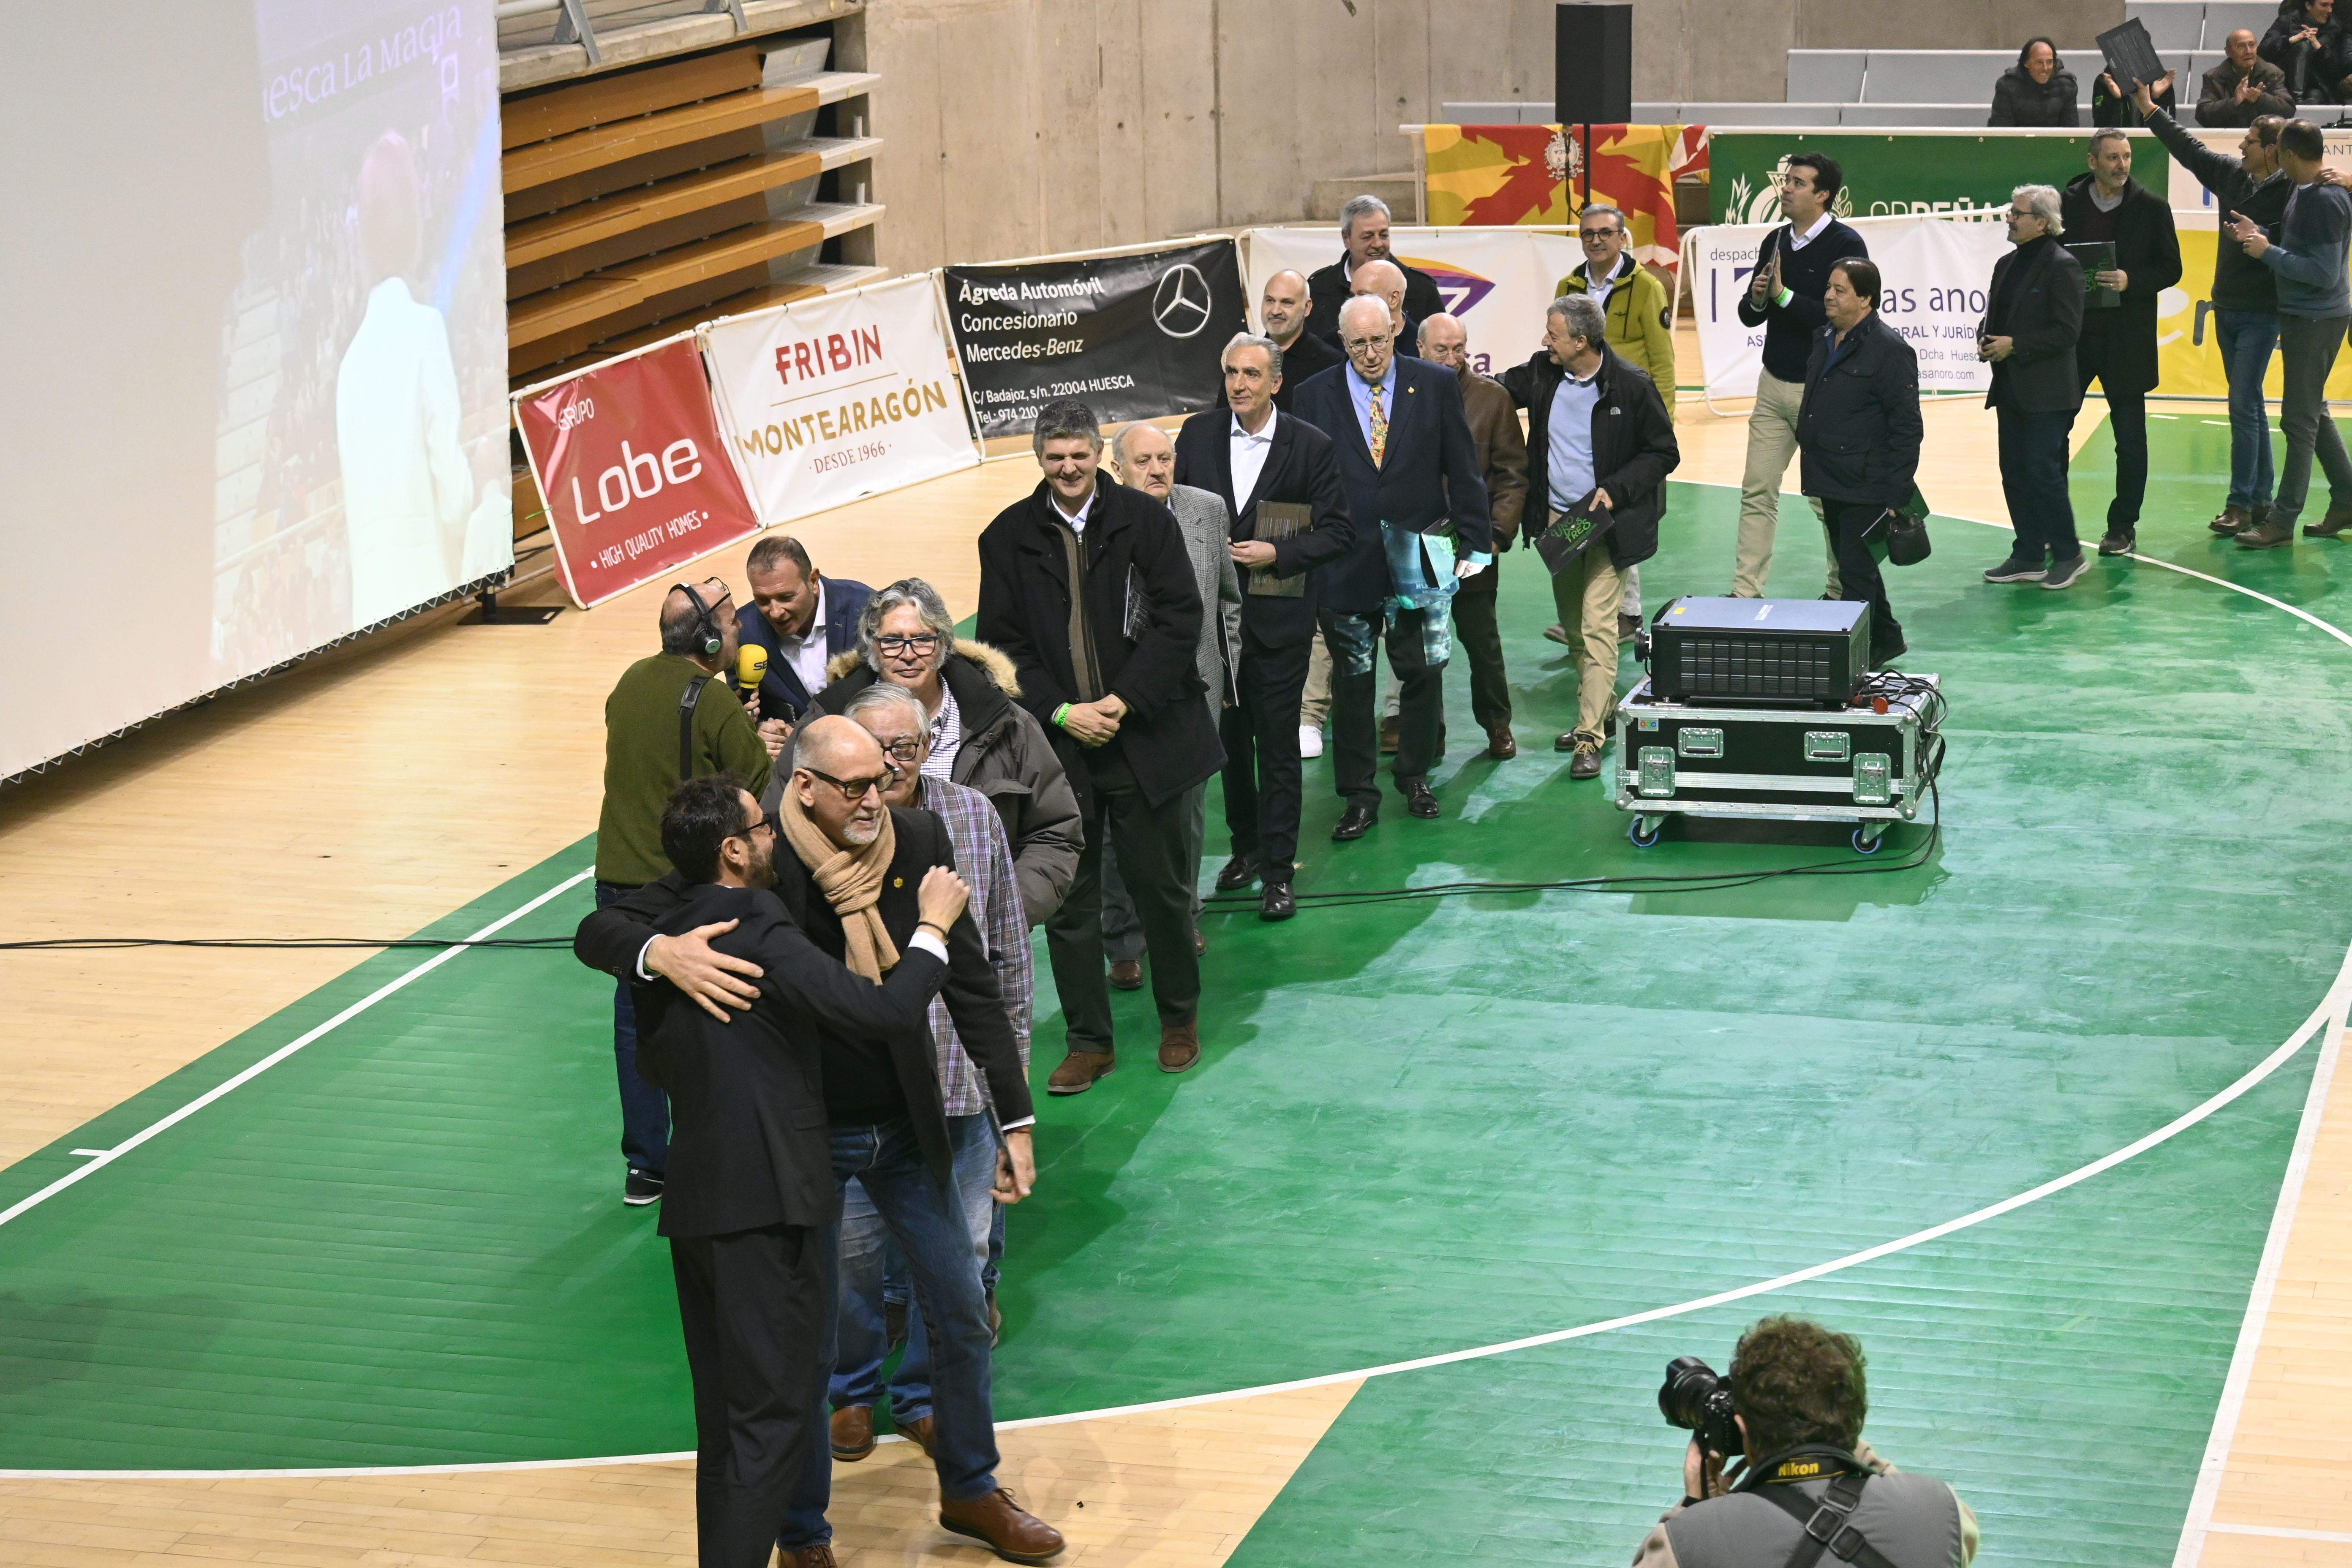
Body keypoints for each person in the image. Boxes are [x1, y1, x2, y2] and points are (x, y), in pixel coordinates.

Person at [576, 718, 1059, 1567]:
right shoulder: (759, 862)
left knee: (959, 1308)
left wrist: (1011, 1115)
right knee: (807, 1352)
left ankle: (971, 1488)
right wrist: (660, 951)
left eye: (888, 774)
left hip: (912, 1124)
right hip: (807, 1144)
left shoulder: (916, 833)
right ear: (802, 787)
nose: (879, 796)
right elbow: (605, 927)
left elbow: (973, 981)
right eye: (857, 784)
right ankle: (803, 1536)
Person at [976, 400, 1225, 1091]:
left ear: (1095, 454)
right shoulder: (1004, 538)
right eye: (1054, 458)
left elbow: (1180, 617)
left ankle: (1178, 1021)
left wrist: (1122, 700)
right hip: (1061, 753)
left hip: (1143, 737)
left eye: (1078, 455)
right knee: (1071, 905)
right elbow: (1002, 645)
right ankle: (1089, 1041)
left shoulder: (1147, 522)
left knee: (1163, 893)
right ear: (1038, 459)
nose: (1067, 469)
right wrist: (1060, 711)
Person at [826, 684, 1032, 1477]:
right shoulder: (817, 840)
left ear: (927, 743)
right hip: (865, 1092)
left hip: (957, 1081)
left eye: (905, 749)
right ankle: (850, 1387)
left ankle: (920, 1401)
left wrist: (1009, 1093)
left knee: (963, 1254)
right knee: (851, 1256)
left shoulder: (969, 817)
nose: (890, 767)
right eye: (874, 756)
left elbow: (1002, 954)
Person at [594, 579, 775, 1207]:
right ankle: (722, 1155)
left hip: (615, 881)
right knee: (719, 1017)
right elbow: (755, 786)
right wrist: (756, 740)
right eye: (730, 621)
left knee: (632, 1025)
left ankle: (646, 1167)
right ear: (707, 637)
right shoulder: (717, 701)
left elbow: (659, 756)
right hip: (677, 888)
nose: (740, 631)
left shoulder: (630, 680)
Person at [1291, 296, 1492, 832]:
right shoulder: (1312, 396)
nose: (1371, 352)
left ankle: (1414, 775)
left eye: (1379, 339)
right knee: (1353, 685)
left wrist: (1476, 543)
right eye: (1358, 343)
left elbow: (1463, 469)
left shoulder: (1434, 384)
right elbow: (1299, 484)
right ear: (1342, 341)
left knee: (1424, 673)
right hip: (1343, 561)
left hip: (1420, 556)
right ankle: (1359, 795)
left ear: (1397, 330)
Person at [1175, 332, 1353, 919]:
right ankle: (1246, 849)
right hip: (1211, 629)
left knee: (1276, 748)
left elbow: (1337, 532)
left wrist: (1278, 555)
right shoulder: (1197, 436)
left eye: (1252, 374)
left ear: (1276, 382)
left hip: (1279, 624)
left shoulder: (1311, 446)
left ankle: (1279, 873)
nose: (1239, 384)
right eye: (1231, 373)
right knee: (1228, 744)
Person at [812, 578, 1081, 930]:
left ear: (943, 645)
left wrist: (1003, 911)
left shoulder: (1006, 722)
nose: (908, 654)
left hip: (982, 935)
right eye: (892, 641)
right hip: (862, 930)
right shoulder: (825, 723)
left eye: (922, 640)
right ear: (872, 648)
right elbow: (789, 824)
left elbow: (1054, 832)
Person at [1497, 296, 1680, 777]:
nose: (1544, 342)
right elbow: (1491, 393)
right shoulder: (1542, 374)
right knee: (1576, 631)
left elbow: (1664, 452)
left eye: (1553, 335)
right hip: (1562, 525)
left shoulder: (1632, 386)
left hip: (1608, 527)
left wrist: (1616, 490)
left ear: (1581, 341)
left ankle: (1588, 737)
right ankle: (1600, 711)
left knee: (1600, 627)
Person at [1631, 1317, 1979, 1567]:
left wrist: (1694, 1507)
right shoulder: (1943, 1510)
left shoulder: (1688, 1543)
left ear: (1743, 1428)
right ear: (1855, 1414)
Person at [1098, 421, 1239, 972]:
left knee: (1188, 817)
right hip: (1116, 701)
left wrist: (1229, 673)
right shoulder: (1097, 522)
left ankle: (1182, 919)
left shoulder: (1206, 509)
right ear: (1118, 469)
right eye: (1143, 461)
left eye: (1165, 459)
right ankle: (1124, 940)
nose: (1157, 470)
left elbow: (1228, 601)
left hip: (1192, 695)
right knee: (1116, 825)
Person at [2141, 80, 2292, 534]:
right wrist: (2150, 110)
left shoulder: (2295, 194)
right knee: (2250, 407)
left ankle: (2241, 504)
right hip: (2225, 309)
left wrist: (2264, 241)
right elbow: (2187, 148)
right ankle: (2262, 498)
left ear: (2272, 150)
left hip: (2264, 314)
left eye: (2249, 140)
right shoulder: (2231, 175)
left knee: (2242, 404)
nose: (2241, 145)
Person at [1732, 153, 1867, 599]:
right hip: (1774, 386)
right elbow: (1752, 317)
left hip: (1822, 390)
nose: (1786, 188)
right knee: (1757, 492)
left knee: (1827, 500)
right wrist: (1756, 299)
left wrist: (1782, 295)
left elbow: (1841, 318)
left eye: (1797, 182)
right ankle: (1745, 592)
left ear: (1823, 195)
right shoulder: (1775, 240)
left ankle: (1839, 588)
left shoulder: (1845, 245)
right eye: (1786, 181)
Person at [2228, 118, 2352, 544]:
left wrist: (2267, 253)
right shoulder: (2305, 189)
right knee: (2312, 409)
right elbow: (2301, 248)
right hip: (2308, 314)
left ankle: (2282, 522)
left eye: (2278, 149)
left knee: (2298, 421)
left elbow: (2321, 271)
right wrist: (2260, 235)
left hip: (2316, 317)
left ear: (2290, 155)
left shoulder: (2326, 199)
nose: (2272, 154)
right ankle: (2348, 497)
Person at [1554, 202, 1674, 640]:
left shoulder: (1646, 288)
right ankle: (1584, 613)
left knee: (1618, 515)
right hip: (1577, 421)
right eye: (1588, 233)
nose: (1597, 240)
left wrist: (1663, 429)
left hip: (1628, 421)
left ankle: (1627, 615)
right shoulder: (1569, 285)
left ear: (1623, 238)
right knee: (1580, 508)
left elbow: (1663, 362)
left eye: (1606, 232)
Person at [2060, 128, 2182, 556]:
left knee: (2130, 440)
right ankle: (2055, 523)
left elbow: (2172, 269)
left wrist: (2133, 280)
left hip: (2125, 342)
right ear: (2093, 162)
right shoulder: (2066, 205)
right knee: (2055, 431)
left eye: (2127, 156)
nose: (2122, 165)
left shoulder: (2151, 208)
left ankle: (2123, 526)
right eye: (2113, 157)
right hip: (2073, 340)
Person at [1415, 313, 1528, 760]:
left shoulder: (1492, 399)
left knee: (1483, 644)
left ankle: (1497, 726)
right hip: (1418, 548)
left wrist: (1495, 536)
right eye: (1441, 349)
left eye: (1458, 348)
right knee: (1426, 649)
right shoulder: (1403, 396)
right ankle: (1430, 731)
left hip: (1473, 546)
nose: (1451, 358)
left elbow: (1514, 476)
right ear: (1420, 349)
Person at [1798, 258, 1921, 669]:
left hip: (1866, 482)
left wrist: (1897, 492)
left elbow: (1907, 427)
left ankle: (1860, 656)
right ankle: (1887, 638)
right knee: (1859, 567)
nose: (1829, 296)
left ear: (1866, 299)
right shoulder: (1824, 337)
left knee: (1855, 571)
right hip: (1829, 477)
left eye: (1841, 290)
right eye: (1829, 287)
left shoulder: (1890, 350)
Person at [1979, 185, 2090, 588]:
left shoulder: (2063, 266)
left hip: (2047, 392)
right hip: (2010, 386)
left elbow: (2067, 332)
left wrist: (2017, 345)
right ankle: (2028, 553)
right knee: (2014, 472)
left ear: (2042, 221)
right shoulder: (2006, 263)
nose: (2010, 218)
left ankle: (2069, 554)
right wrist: (1987, 339)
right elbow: (1997, 314)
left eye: (2018, 213)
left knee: (2043, 472)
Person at [735, 535, 873, 729]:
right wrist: (759, 729)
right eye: (762, 600)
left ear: (813, 581)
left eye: (786, 597)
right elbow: (743, 706)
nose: (775, 613)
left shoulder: (865, 609)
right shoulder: (743, 631)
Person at [1305, 193, 1444, 348]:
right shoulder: (1319, 288)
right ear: (1347, 239)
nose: (1378, 244)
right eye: (1368, 237)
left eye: (1384, 235)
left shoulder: (1421, 288)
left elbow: (1441, 349)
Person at [1250, 268, 1342, 412]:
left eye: (1286, 303)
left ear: (1307, 308)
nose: (1275, 311)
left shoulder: (1331, 364)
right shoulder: (1244, 358)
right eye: (1270, 301)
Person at [2197, 30, 2296, 125]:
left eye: (2252, 45)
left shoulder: (2272, 73)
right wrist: (2234, 103)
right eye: (2241, 47)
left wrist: (2261, 99)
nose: (2248, 51)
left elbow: (2288, 111)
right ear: (2228, 52)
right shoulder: (2214, 77)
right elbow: (2203, 115)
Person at [2260, 0, 2351, 102]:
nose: (2329, 10)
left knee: (2316, 97)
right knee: (2303, 47)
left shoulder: (2336, 28)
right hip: (2285, 79)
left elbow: (2337, 69)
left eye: (2331, 6)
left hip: (2317, 82)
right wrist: (2290, 40)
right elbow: (2263, 51)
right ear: (2308, 5)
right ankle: (2297, 98)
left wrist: (2319, 47)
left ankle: (2298, 100)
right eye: (2324, 5)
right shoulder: (2286, 21)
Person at [1989, 37, 2080, 126]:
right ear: (2026, 63)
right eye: (2039, 63)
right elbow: (2002, 133)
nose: (2045, 68)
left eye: (2050, 62)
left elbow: (2071, 133)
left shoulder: (2067, 86)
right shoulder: (2006, 87)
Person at [1350, 258, 1423, 355]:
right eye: (1352, 296)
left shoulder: (1424, 345)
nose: (1353, 303)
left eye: (1364, 295)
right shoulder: (1336, 342)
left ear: (1393, 299)